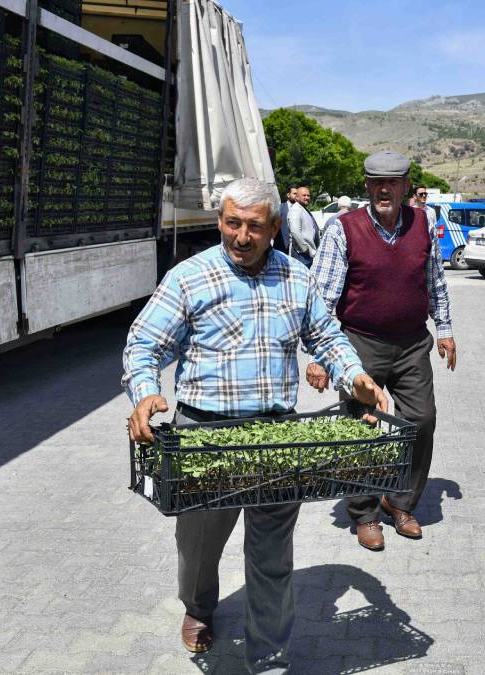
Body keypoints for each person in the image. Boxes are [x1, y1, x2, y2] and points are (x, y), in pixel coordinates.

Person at [122, 177, 387, 669]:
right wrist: (145, 393)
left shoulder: (297, 278)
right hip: (204, 437)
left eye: (254, 227)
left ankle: (268, 655)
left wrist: (355, 376)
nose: (241, 237)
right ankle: (199, 607)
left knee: (271, 557)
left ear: (275, 227)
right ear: (221, 221)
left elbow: (326, 337)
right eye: (231, 224)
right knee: (198, 545)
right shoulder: (189, 277)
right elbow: (143, 345)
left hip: (276, 438)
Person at [305, 150, 457, 552]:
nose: (384, 189)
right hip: (360, 344)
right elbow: (321, 298)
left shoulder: (423, 223)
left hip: (411, 344)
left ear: (407, 186)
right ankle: (365, 513)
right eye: (376, 182)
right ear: (367, 186)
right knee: (361, 425)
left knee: (422, 420)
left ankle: (401, 502)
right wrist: (322, 357)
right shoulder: (343, 229)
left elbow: (435, 280)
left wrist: (444, 329)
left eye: (392, 182)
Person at [287, 186, 318, 266]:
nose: (307, 197)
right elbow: (295, 231)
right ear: (297, 197)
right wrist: (305, 249)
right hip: (301, 255)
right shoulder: (296, 209)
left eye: (308, 195)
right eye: (304, 195)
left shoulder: (302, 209)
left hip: (307, 254)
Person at [275, 186, 296, 253]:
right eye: (294, 193)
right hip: (281, 246)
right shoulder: (280, 208)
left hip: (296, 249)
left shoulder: (300, 210)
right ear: (288, 195)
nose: (296, 196)